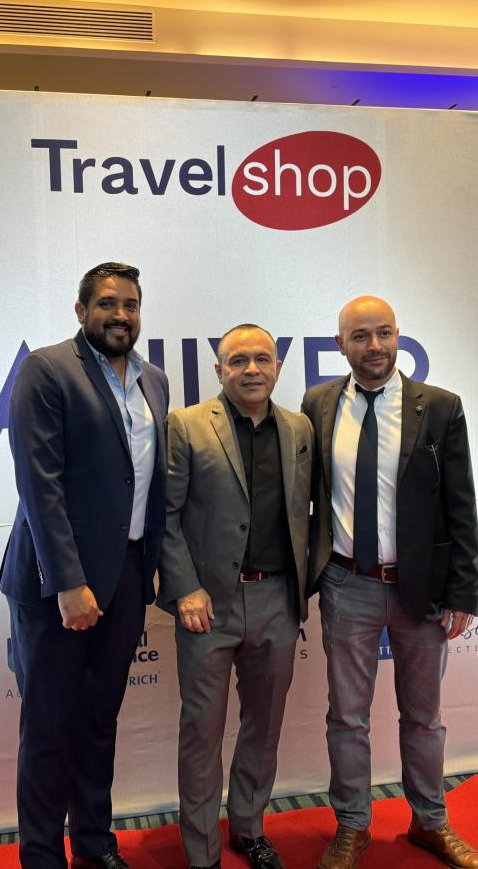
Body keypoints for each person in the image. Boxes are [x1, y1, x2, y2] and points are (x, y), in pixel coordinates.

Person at [301, 296, 478, 869]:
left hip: (422, 588)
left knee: (424, 718)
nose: (374, 346)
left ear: (399, 336)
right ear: (340, 345)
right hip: (346, 583)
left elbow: (461, 504)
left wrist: (462, 591)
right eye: (360, 336)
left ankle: (430, 821)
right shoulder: (317, 404)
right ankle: (352, 826)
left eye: (383, 333)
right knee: (346, 718)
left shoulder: (441, 407)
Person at [0, 263, 169, 869]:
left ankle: (95, 848)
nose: (120, 315)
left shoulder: (154, 380)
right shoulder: (47, 370)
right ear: (80, 310)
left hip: (126, 575)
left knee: (99, 722)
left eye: (130, 304)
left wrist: (148, 566)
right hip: (57, 583)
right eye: (106, 303)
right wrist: (67, 582)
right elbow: (39, 484)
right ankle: (43, 858)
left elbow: (147, 482)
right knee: (49, 730)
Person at [160, 324, 313, 869]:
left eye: (262, 359)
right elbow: (166, 516)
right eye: (239, 360)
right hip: (208, 606)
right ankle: (201, 853)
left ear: (278, 367)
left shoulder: (299, 428)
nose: (252, 369)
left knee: (264, 728)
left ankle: (248, 828)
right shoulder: (186, 425)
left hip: (278, 600)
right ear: (219, 369)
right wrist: (186, 589)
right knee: (202, 733)